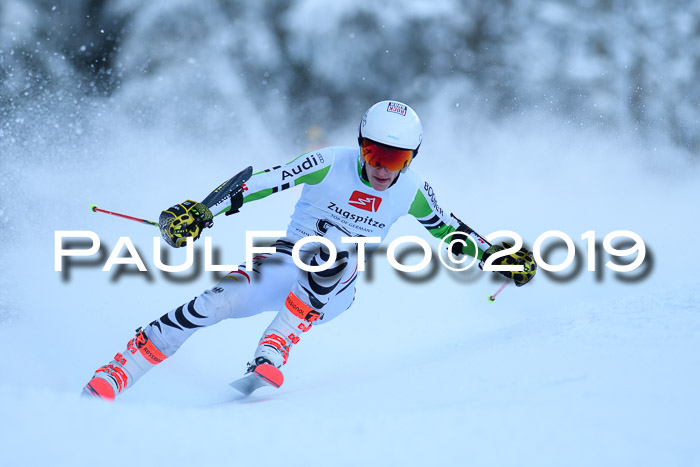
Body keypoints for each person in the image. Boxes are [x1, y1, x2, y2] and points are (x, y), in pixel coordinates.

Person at [81, 100, 537, 401]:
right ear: (360, 145)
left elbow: (448, 230)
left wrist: (493, 256)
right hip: (284, 263)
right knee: (217, 302)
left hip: (336, 290)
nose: (382, 168)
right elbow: (263, 182)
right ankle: (123, 368)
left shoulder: (414, 190)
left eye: (396, 159)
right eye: (374, 153)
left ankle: (276, 344)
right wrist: (204, 210)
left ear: (412, 158)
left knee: (336, 249)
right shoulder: (330, 161)